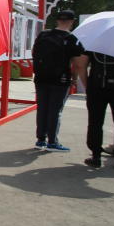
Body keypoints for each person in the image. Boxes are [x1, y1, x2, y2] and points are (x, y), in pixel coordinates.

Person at [31, 10, 85, 151]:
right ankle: (52, 142)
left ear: (57, 21)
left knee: (42, 108)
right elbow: (78, 64)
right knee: (55, 110)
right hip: (60, 80)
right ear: (72, 22)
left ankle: (40, 140)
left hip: (41, 78)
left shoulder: (43, 35)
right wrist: (74, 79)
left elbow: (34, 52)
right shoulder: (71, 39)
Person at [78, 51, 114, 169]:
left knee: (95, 122)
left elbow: (81, 65)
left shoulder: (96, 41)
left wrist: (87, 87)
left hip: (97, 87)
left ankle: (96, 156)